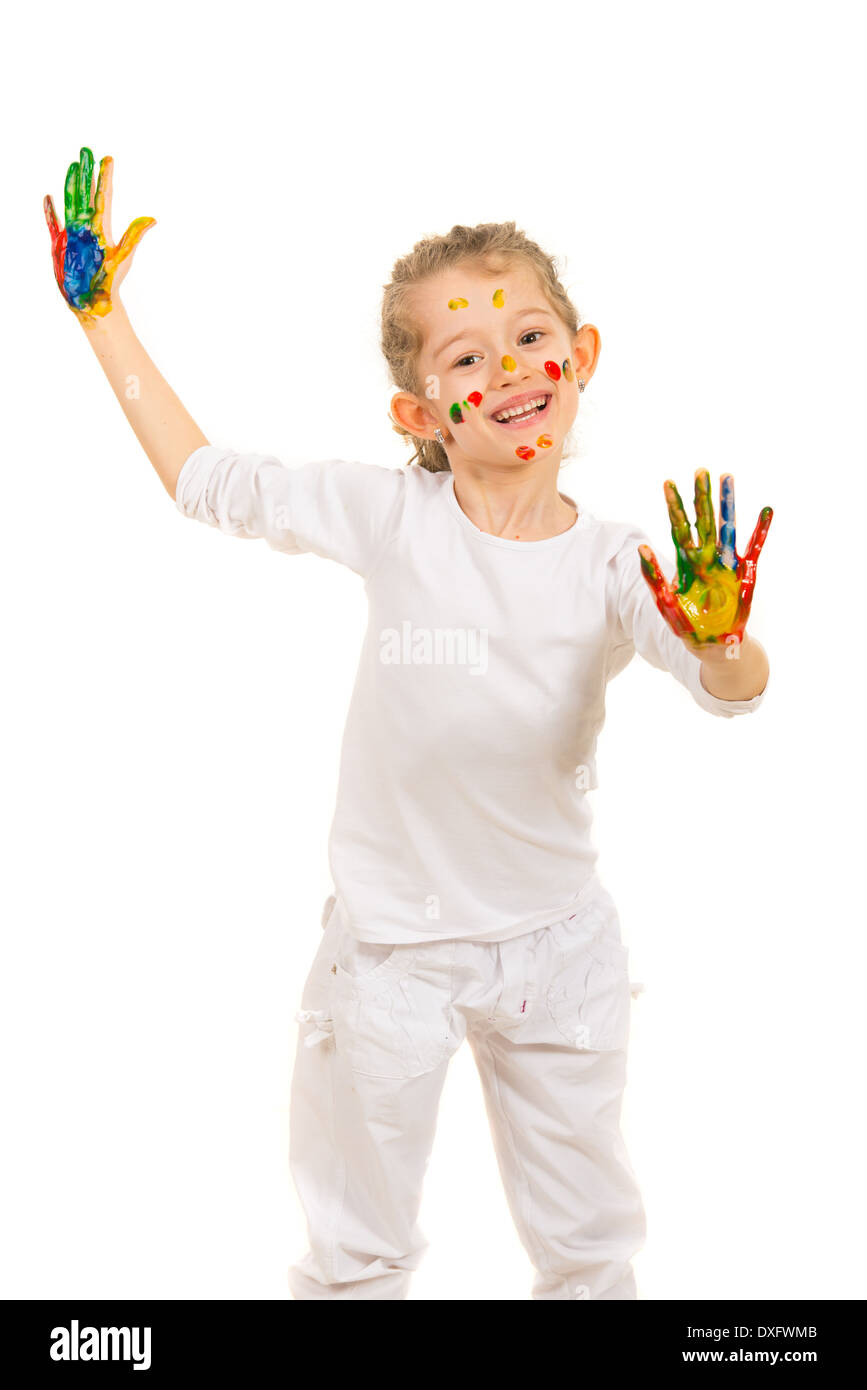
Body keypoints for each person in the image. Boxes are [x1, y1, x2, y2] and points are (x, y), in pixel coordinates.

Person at [45, 148, 772, 1301]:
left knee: (592, 1246)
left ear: (581, 357)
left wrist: (726, 638)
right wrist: (103, 323)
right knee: (357, 1251)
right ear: (419, 410)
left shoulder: (620, 561)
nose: (513, 366)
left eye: (534, 337)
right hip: (390, 951)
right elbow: (203, 480)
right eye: (468, 354)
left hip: (558, 951)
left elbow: (730, 689)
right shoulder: (390, 513)